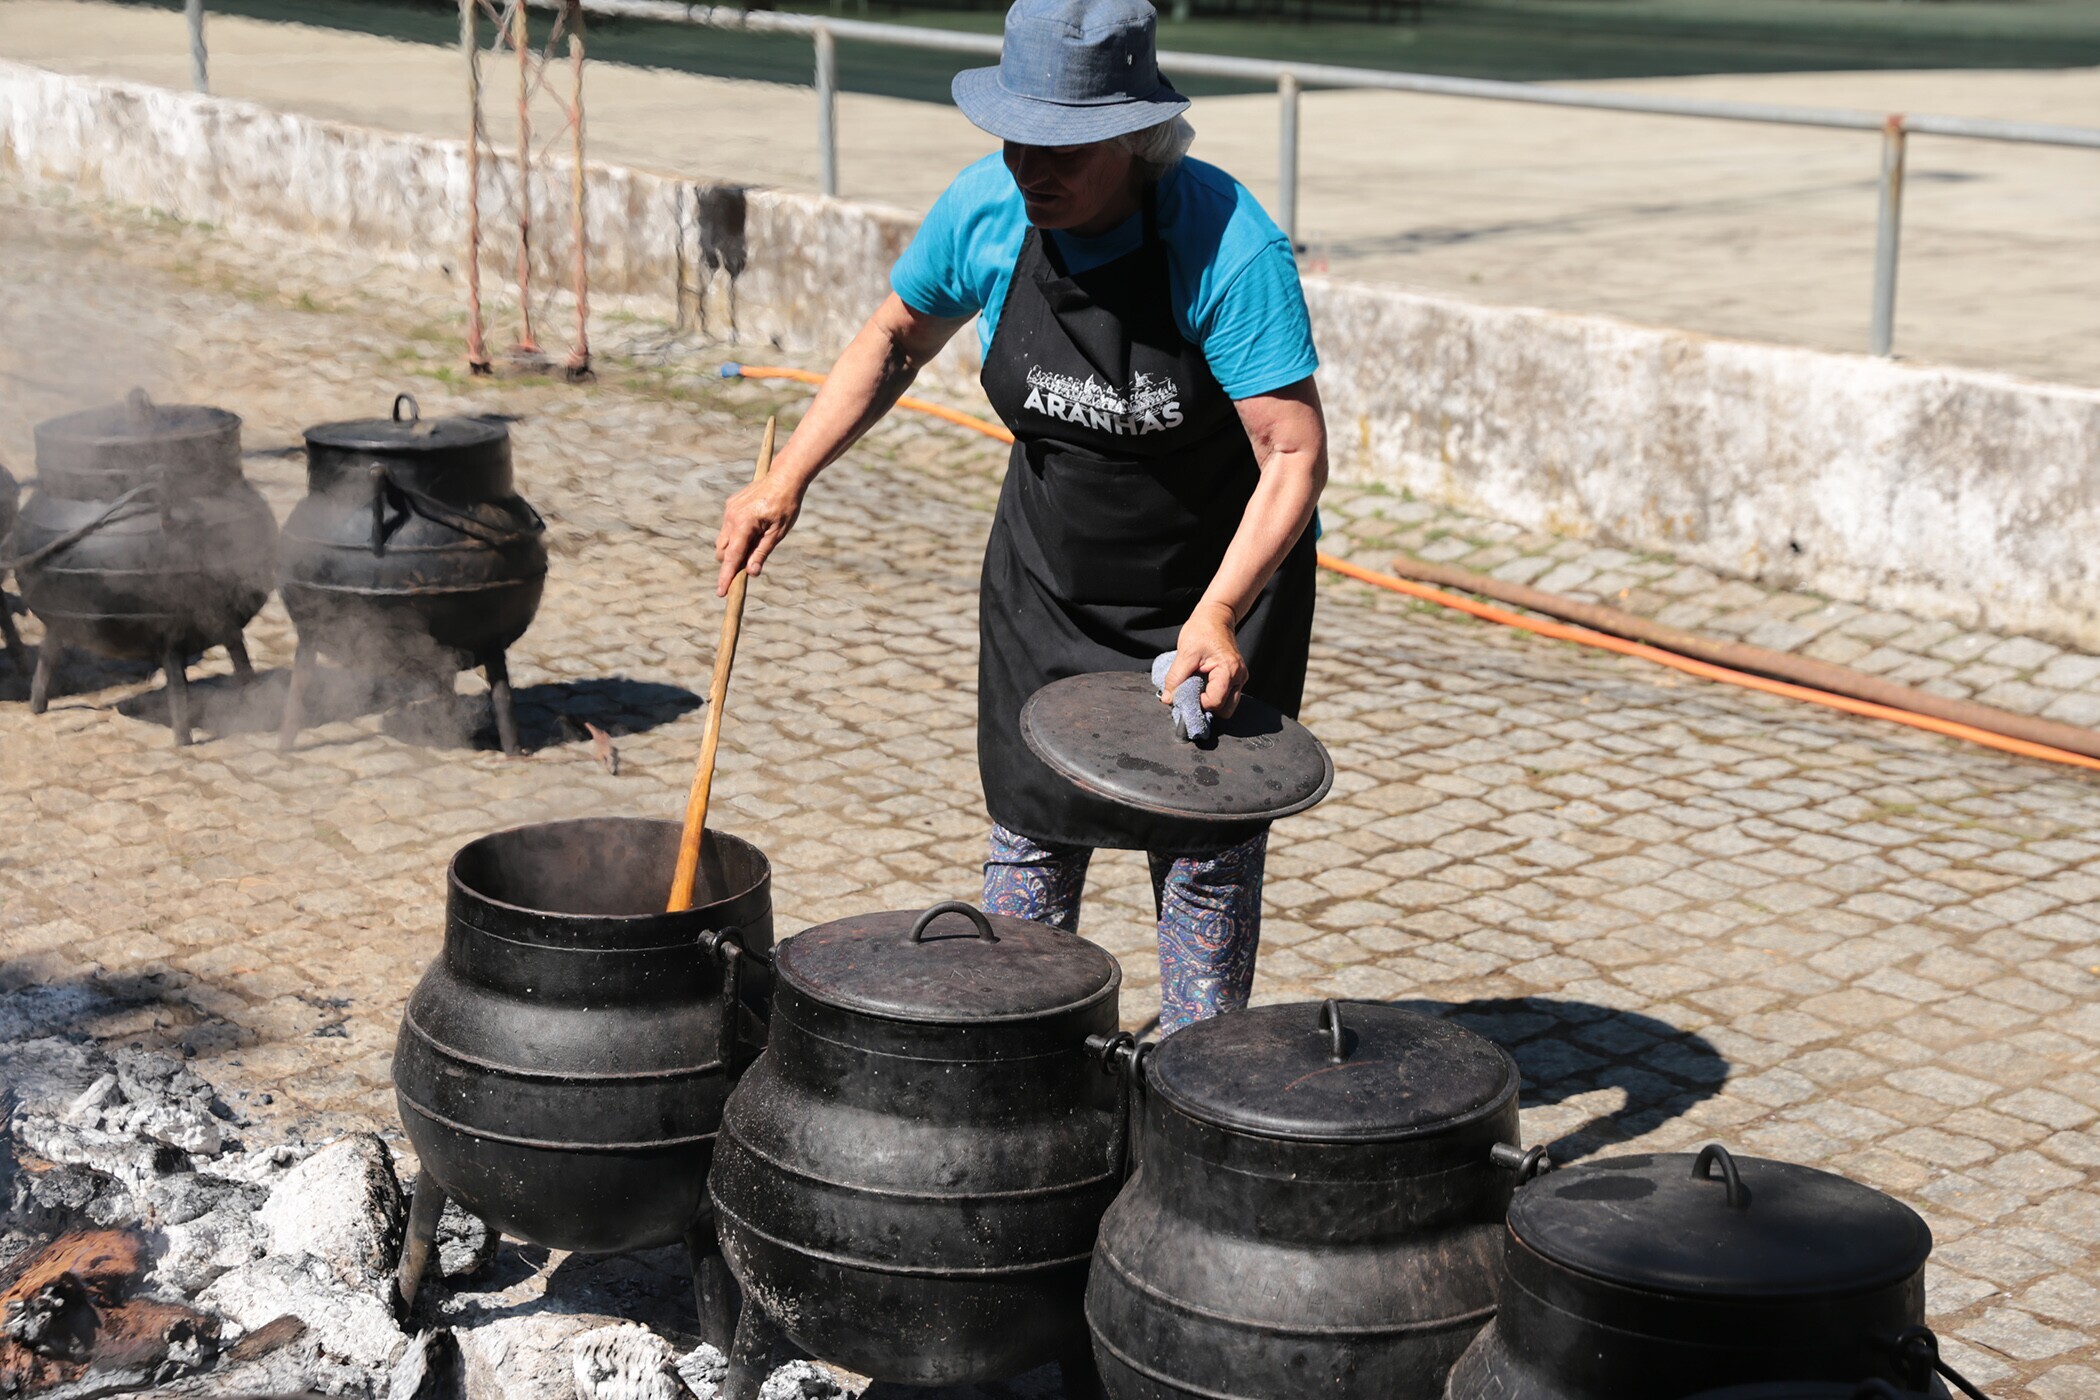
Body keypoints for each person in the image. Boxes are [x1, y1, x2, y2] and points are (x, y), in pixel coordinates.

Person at [714, 0, 1325, 1035]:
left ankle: (1194, 1083)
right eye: (1016, 140)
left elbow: (1292, 453)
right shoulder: (987, 211)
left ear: (1134, 137)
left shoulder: (1226, 243)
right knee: (1032, 837)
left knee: (1203, 859)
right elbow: (898, 338)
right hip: (1048, 583)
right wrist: (790, 477)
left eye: (1064, 150)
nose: (1031, 168)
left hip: (1211, 589)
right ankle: (1025, 1067)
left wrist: (1220, 611)